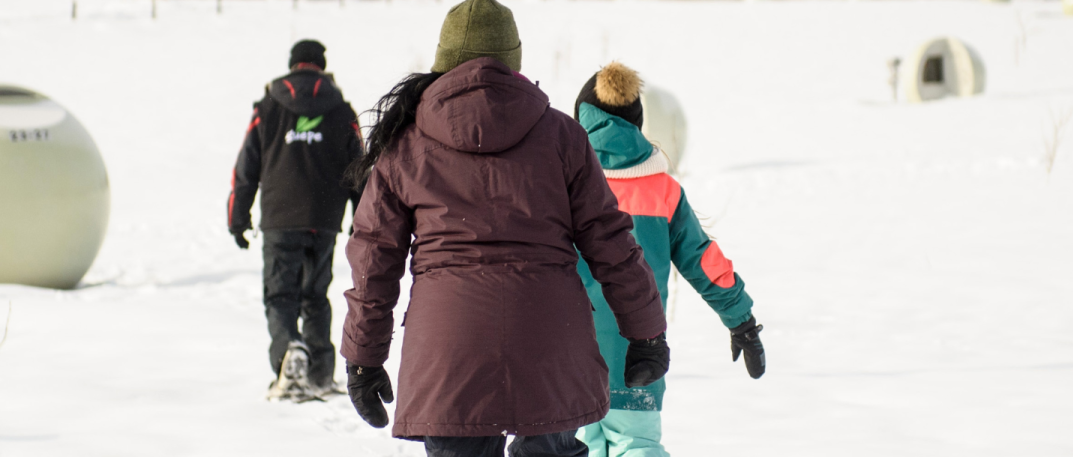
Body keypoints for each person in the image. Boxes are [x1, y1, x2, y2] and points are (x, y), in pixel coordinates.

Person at [338, 1, 670, 455]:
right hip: (552, 342)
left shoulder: (405, 144)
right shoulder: (563, 136)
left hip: (450, 349)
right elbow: (611, 243)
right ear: (512, 59)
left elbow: (374, 258)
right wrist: (646, 332)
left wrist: (362, 357)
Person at [568, 62, 767, 457]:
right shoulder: (662, 190)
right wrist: (741, 319)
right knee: (638, 445)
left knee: (571, 448)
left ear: (582, 119)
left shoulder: (562, 182)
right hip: (638, 357)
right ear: (637, 122)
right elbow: (703, 258)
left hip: (569, 360)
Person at [225, 39, 364, 401]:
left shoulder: (268, 107)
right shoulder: (341, 110)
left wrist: (238, 218)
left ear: (292, 65)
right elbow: (360, 172)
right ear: (321, 65)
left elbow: (245, 167)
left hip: (280, 219)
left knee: (281, 296)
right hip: (324, 220)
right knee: (315, 297)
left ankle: (289, 354)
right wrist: (363, 222)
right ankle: (319, 374)